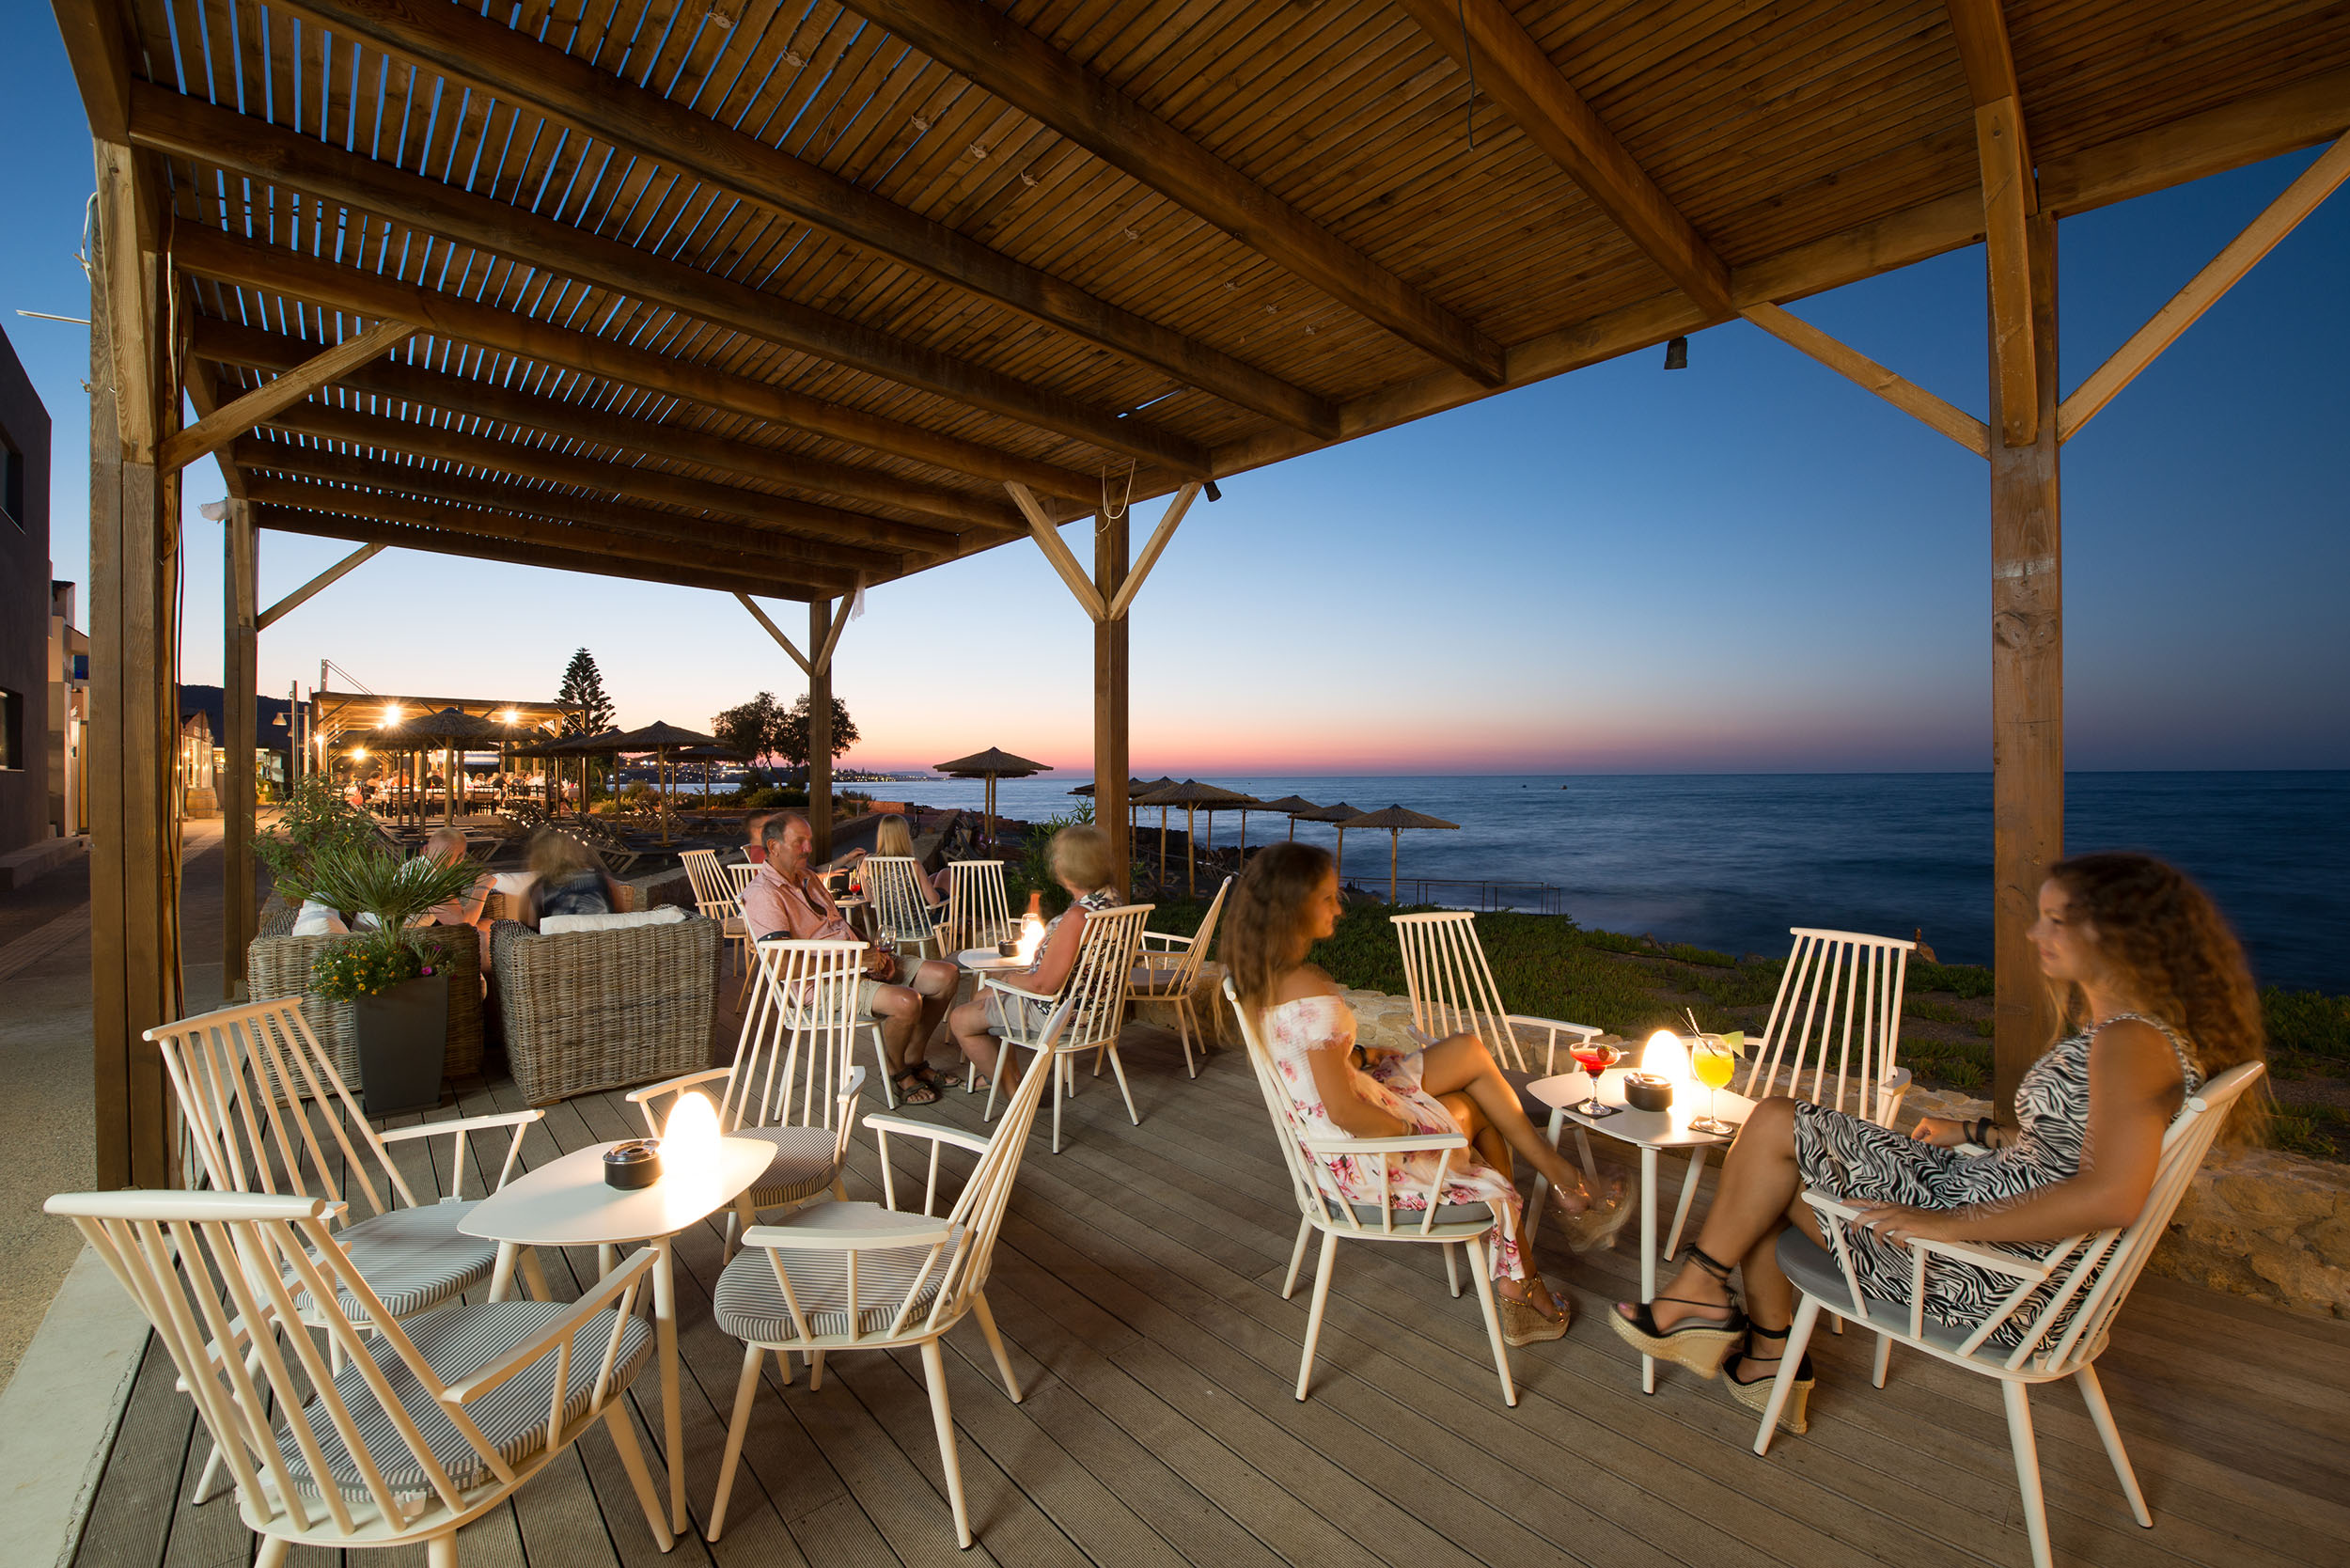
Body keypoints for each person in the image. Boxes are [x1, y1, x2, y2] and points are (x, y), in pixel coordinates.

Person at [1612, 851, 2266, 1433]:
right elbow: (2070, 1146)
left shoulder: (2129, 1043)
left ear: (2121, 932)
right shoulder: (2135, 1036)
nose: (2036, 932)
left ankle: (1725, 1314)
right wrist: (1976, 1131)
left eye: (2056, 920)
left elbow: (2112, 1195)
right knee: (1775, 1146)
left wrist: (1949, 1223)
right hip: (1985, 1203)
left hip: (1994, 1275)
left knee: (1775, 1141)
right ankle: (1759, 1351)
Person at [1221, 842, 1627, 1346]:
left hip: (1329, 1139)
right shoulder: (1308, 987)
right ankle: (1525, 1274)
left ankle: (1555, 1202)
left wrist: (1363, 1055)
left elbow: (1306, 1061)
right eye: (1327, 898)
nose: (1340, 907)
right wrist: (1415, 1131)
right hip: (1360, 1153)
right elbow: (1344, 1109)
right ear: (1292, 905)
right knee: (1476, 1109)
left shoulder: (1261, 976)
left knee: (1467, 1052)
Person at [742, 813, 961, 1105]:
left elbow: (839, 926)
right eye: (800, 843)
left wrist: (874, 953)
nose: (808, 849)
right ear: (773, 845)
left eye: (809, 841)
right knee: (908, 1002)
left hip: (855, 962)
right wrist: (858, 961)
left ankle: (914, 1059)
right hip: (819, 984)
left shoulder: (807, 878)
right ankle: (897, 1071)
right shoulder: (764, 894)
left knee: (946, 975)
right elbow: (782, 966)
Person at [944, 824, 1120, 1095]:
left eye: (1059, 857)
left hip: (1060, 1016)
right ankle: (1005, 1072)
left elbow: (1042, 986)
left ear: (1071, 866)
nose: (1055, 862)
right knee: (983, 995)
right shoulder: (1110, 903)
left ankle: (1015, 1091)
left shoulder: (1077, 918)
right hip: (1094, 1009)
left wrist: (1007, 978)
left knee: (960, 1020)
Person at [418, 826, 496, 969]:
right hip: (410, 940)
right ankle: (494, 987)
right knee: (485, 939)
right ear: (460, 859)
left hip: (412, 931)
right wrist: (482, 888)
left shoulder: (418, 867)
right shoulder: (429, 879)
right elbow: (463, 925)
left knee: (490, 925)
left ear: (425, 849)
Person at [518, 828, 625, 927]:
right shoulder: (603, 879)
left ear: (539, 856)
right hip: (607, 943)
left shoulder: (538, 889)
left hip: (559, 946)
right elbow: (621, 915)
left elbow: (527, 930)